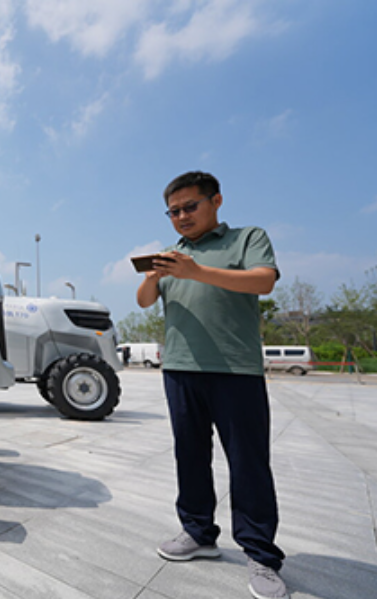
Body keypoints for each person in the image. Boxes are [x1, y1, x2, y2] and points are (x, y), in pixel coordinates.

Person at [136, 171, 288, 599]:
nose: (181, 216)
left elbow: (264, 280)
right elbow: (145, 301)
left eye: (190, 206)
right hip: (181, 368)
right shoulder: (174, 253)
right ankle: (198, 533)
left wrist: (196, 271)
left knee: (248, 463)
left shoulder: (246, 238)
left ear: (216, 201)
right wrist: (153, 274)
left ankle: (260, 554)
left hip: (235, 370)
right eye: (174, 211)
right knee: (190, 456)